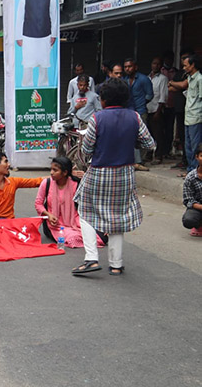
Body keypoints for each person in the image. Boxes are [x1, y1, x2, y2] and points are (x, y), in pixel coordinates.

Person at [72, 78, 156, 276]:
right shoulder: (134, 117)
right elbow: (149, 144)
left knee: (84, 211)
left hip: (100, 171)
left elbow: (86, 148)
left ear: (103, 100)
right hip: (125, 174)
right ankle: (116, 264)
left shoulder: (97, 118)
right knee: (117, 217)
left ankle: (91, 258)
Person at [35, 156, 104, 248]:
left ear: (65, 173)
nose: (51, 173)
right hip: (53, 223)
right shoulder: (46, 183)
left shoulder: (76, 184)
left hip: (75, 219)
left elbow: (88, 203)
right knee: (73, 237)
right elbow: (38, 204)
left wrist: (100, 221)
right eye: (51, 169)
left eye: (55, 170)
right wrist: (48, 215)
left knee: (101, 237)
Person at [15, 0, 57, 86]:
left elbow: (53, 14)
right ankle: (26, 86)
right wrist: (18, 36)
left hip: (45, 33)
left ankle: (43, 86)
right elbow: (20, 14)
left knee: (44, 65)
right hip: (28, 34)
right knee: (28, 65)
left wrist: (54, 34)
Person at [169, 54, 202, 175]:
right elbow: (181, 87)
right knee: (188, 146)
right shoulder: (190, 78)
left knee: (195, 147)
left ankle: (195, 171)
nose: (184, 68)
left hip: (196, 117)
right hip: (188, 117)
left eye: (186, 65)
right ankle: (190, 170)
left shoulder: (199, 79)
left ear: (193, 65)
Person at [123, 58, 154, 170]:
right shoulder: (124, 79)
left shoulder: (143, 79)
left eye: (129, 66)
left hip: (141, 111)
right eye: (125, 67)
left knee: (142, 135)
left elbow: (150, 95)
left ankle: (142, 160)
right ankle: (134, 160)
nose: (127, 69)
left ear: (135, 67)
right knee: (130, 136)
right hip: (128, 111)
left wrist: (142, 103)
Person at [147, 57, 169, 164]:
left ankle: (159, 155)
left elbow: (163, 96)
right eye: (153, 63)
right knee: (148, 134)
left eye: (158, 64)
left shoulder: (163, 79)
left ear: (161, 66)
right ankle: (148, 154)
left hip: (157, 110)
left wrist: (158, 111)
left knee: (158, 134)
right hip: (147, 109)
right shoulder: (147, 78)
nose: (155, 66)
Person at [182, 143, 202, 236]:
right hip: (198, 208)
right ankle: (198, 225)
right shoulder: (190, 177)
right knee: (189, 220)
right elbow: (188, 201)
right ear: (197, 157)